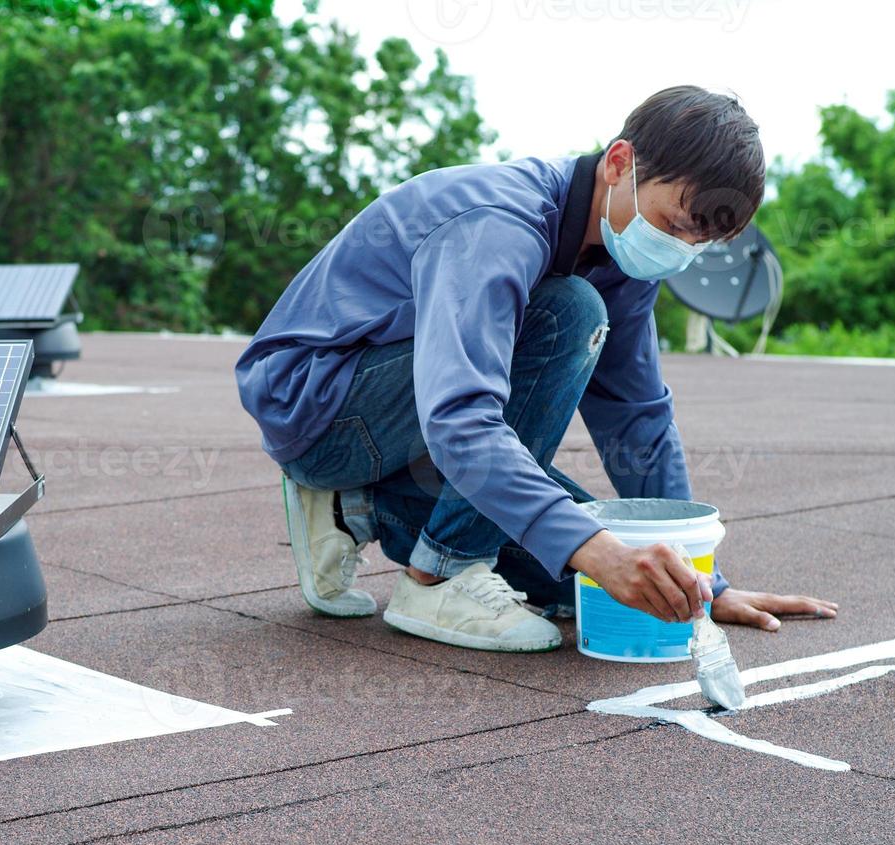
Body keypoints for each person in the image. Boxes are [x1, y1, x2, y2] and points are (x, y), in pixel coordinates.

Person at [235, 85, 837, 653]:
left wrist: (703, 582)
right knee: (570, 314)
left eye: (700, 243)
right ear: (619, 163)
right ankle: (439, 576)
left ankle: (355, 507)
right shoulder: (498, 225)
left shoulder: (625, 251)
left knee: (592, 589)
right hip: (318, 406)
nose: (679, 250)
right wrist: (596, 550)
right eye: (675, 225)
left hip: (399, 413)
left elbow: (636, 416)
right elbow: (460, 421)